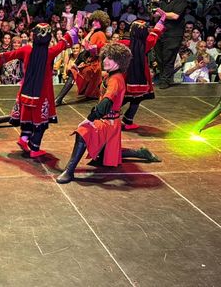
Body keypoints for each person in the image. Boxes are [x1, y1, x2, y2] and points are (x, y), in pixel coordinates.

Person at [56, 43, 160, 184]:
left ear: (118, 62)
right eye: (105, 57)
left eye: (109, 59)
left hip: (107, 123)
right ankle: (139, 153)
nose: (105, 61)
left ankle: (69, 171)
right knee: (106, 154)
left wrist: (90, 119)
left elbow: (107, 101)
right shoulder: (111, 74)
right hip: (110, 121)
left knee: (83, 132)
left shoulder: (116, 80)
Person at [0, 23, 79, 157]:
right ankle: (34, 149)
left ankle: (23, 139)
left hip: (26, 90)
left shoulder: (26, 50)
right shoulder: (50, 53)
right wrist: (74, 29)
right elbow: (64, 42)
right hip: (42, 93)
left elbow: (7, 55)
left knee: (27, 116)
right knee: (40, 122)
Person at [117, 12, 167, 130]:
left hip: (125, 75)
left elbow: (107, 47)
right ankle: (128, 121)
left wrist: (92, 47)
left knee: (121, 98)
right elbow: (156, 32)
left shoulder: (124, 44)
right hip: (140, 75)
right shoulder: (146, 43)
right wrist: (162, 19)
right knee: (137, 98)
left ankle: (106, 115)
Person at [55, 10, 110, 106]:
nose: (93, 23)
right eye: (93, 20)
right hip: (92, 63)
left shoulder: (99, 34)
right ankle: (59, 99)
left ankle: (58, 99)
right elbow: (85, 43)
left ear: (101, 23)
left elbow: (90, 47)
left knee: (73, 73)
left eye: (96, 21)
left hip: (94, 65)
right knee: (76, 75)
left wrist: (91, 44)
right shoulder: (96, 33)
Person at [152, 0, 188, 89]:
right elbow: (153, 13)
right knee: (159, 57)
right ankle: (164, 77)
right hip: (161, 32)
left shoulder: (181, 0)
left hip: (173, 34)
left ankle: (165, 80)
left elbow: (175, 16)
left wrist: (160, 13)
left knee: (169, 57)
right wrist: (154, 2)